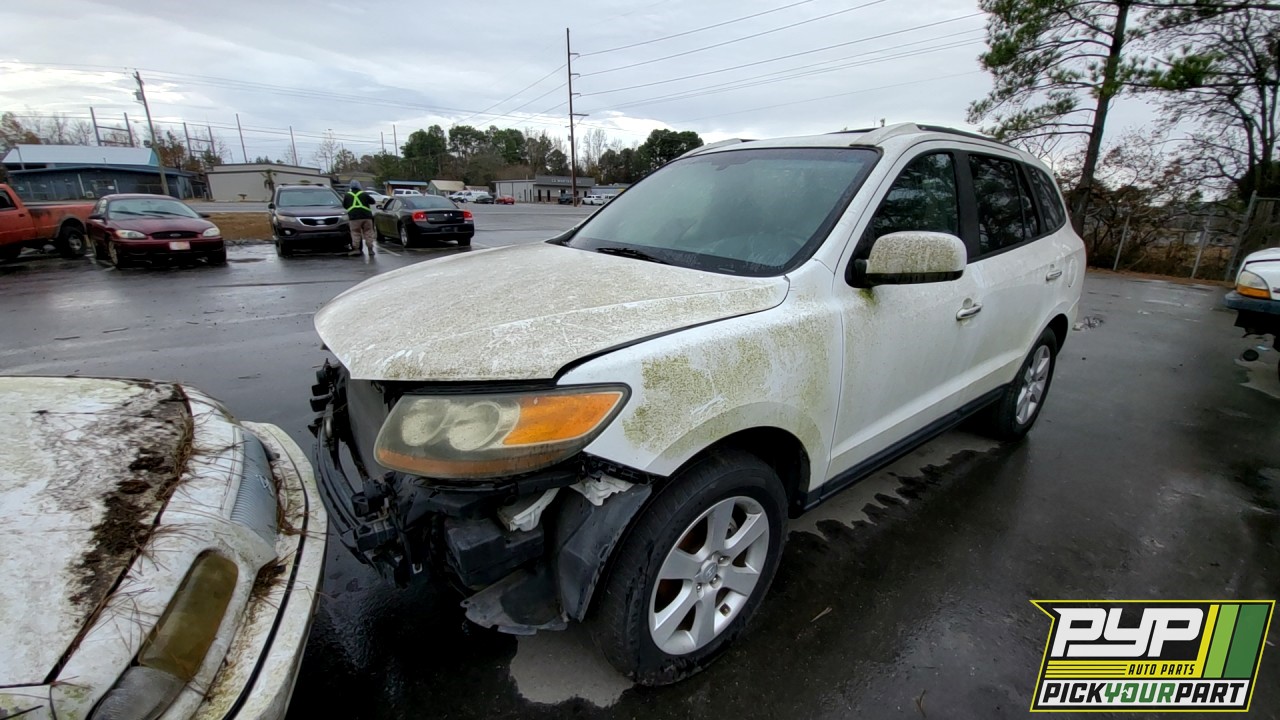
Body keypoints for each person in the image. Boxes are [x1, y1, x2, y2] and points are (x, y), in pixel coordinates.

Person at [343, 180, 376, 256]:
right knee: (368, 232)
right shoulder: (364, 194)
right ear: (359, 186)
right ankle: (370, 249)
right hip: (366, 216)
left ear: (350, 187)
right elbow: (373, 201)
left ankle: (356, 249)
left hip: (354, 218)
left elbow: (345, 205)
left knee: (355, 233)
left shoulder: (347, 195)